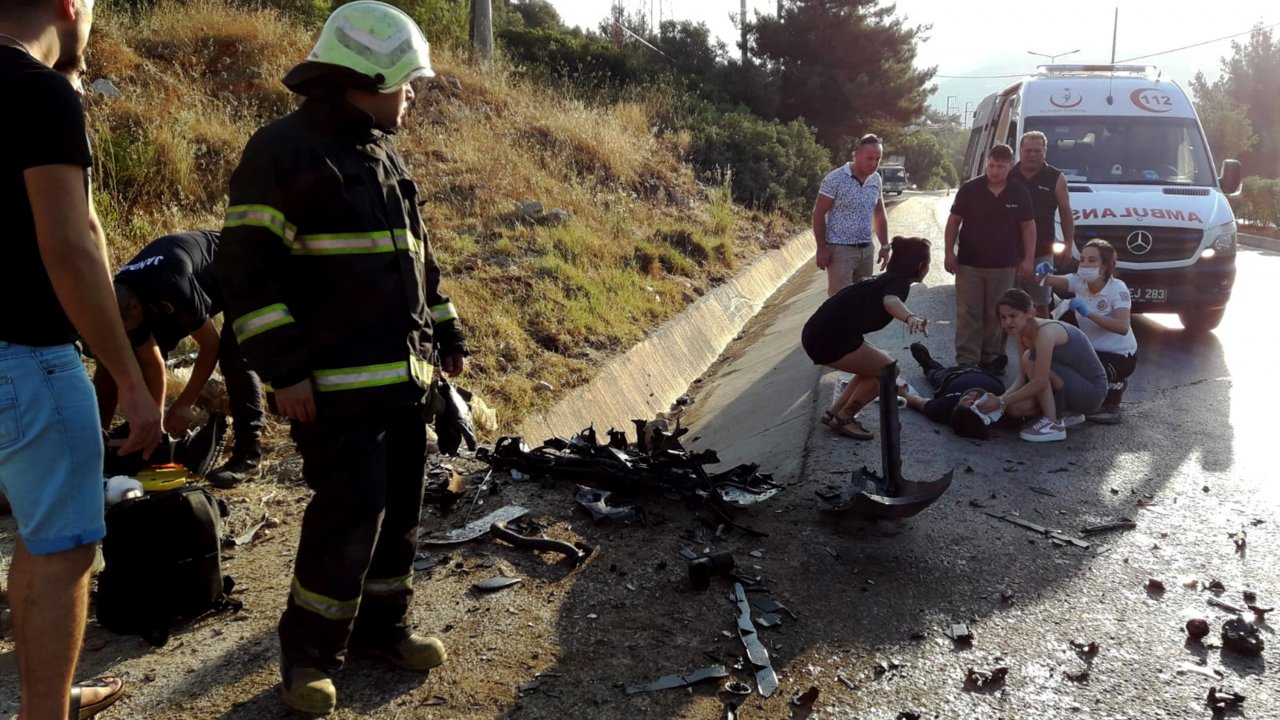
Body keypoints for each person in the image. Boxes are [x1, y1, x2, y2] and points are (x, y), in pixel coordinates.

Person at [214, 2, 468, 713]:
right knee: (349, 516)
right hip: (331, 391)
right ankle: (309, 657)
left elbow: (418, 265)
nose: (412, 95)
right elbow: (247, 275)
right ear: (372, 77)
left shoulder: (382, 154)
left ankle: (385, 631)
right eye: (407, 82)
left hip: (403, 384)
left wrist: (448, 335)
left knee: (402, 510)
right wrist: (285, 371)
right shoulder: (283, 151)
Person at [1, 0, 162, 716]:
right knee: (60, 548)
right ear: (70, 6)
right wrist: (129, 377)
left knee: (35, 536)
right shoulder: (37, 90)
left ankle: (51, 693)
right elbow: (70, 243)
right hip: (28, 357)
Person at [93, 231, 267, 486]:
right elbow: (151, 363)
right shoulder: (122, 294)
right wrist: (151, 422)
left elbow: (210, 346)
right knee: (118, 361)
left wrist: (184, 403)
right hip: (172, 285)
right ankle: (102, 445)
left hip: (245, 268)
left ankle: (249, 457)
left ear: (135, 308)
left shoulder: (171, 284)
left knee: (233, 356)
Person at [801, 236, 931, 439]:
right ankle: (844, 418)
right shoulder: (898, 284)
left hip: (819, 334)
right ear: (921, 266)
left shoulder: (886, 279)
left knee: (872, 368)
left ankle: (833, 413)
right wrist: (910, 317)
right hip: (827, 340)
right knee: (889, 370)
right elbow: (890, 301)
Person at [944, 144, 1035, 371]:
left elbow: (1028, 226)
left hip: (1004, 264)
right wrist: (948, 252)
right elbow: (954, 221)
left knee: (997, 313)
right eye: (992, 165)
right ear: (987, 163)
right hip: (969, 263)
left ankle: (991, 358)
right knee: (968, 313)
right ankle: (966, 360)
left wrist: (1028, 259)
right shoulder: (970, 189)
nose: (995, 171)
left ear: (1010, 166)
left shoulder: (1019, 191)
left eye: (1000, 167)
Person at [977, 289, 1108, 442]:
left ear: (1030, 313)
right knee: (1015, 408)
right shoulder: (1022, 333)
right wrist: (1002, 400)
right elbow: (1022, 377)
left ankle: (1053, 423)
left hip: (1091, 393)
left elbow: (1040, 381)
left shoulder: (1045, 333)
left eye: (1013, 316)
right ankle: (1069, 413)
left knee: (1030, 358)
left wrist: (1001, 402)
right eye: (1003, 317)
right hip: (1067, 386)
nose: (1007, 322)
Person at [1040, 239, 1137, 424]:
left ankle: (1112, 394)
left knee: (1083, 381)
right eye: (1082, 260)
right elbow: (1046, 280)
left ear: (1105, 266)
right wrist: (1041, 273)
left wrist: (1089, 313)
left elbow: (1123, 327)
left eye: (1092, 260)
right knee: (1057, 363)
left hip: (1119, 355)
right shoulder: (1078, 282)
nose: (1085, 265)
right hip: (1091, 351)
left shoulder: (1117, 288)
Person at [812, 134, 891, 296]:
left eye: (878, 159)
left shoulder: (876, 179)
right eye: (869, 158)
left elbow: (879, 213)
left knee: (862, 300)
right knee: (840, 301)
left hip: (866, 250)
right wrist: (821, 248)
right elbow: (818, 214)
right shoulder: (835, 179)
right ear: (857, 155)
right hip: (841, 251)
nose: (874, 163)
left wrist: (885, 246)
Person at [1010, 131, 1073, 318]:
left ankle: (1043, 336)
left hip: (1042, 253)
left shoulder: (1056, 178)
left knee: (1041, 305)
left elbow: (1065, 212)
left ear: (1045, 151)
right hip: (1009, 253)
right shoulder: (1008, 175)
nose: (1032, 155)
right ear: (1020, 150)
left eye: (1037, 151)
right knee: (1008, 305)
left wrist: (1069, 244)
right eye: (1028, 150)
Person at [901, 342, 1007, 439]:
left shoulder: (944, 407)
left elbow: (918, 402)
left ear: (955, 407)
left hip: (949, 377)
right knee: (988, 371)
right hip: (986, 375)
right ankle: (992, 366)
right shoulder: (999, 407)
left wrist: (904, 394)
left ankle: (927, 363)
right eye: (976, 406)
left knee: (934, 373)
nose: (973, 399)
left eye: (969, 403)